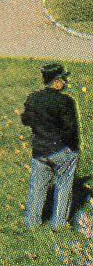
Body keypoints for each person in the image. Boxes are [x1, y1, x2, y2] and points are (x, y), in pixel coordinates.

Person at [21, 61, 80, 228]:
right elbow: (71, 129)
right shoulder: (66, 102)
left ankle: (32, 223)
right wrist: (73, 148)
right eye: (63, 79)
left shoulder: (33, 98)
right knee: (64, 185)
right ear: (56, 81)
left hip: (40, 150)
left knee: (37, 188)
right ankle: (59, 223)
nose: (65, 83)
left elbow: (25, 120)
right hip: (61, 150)